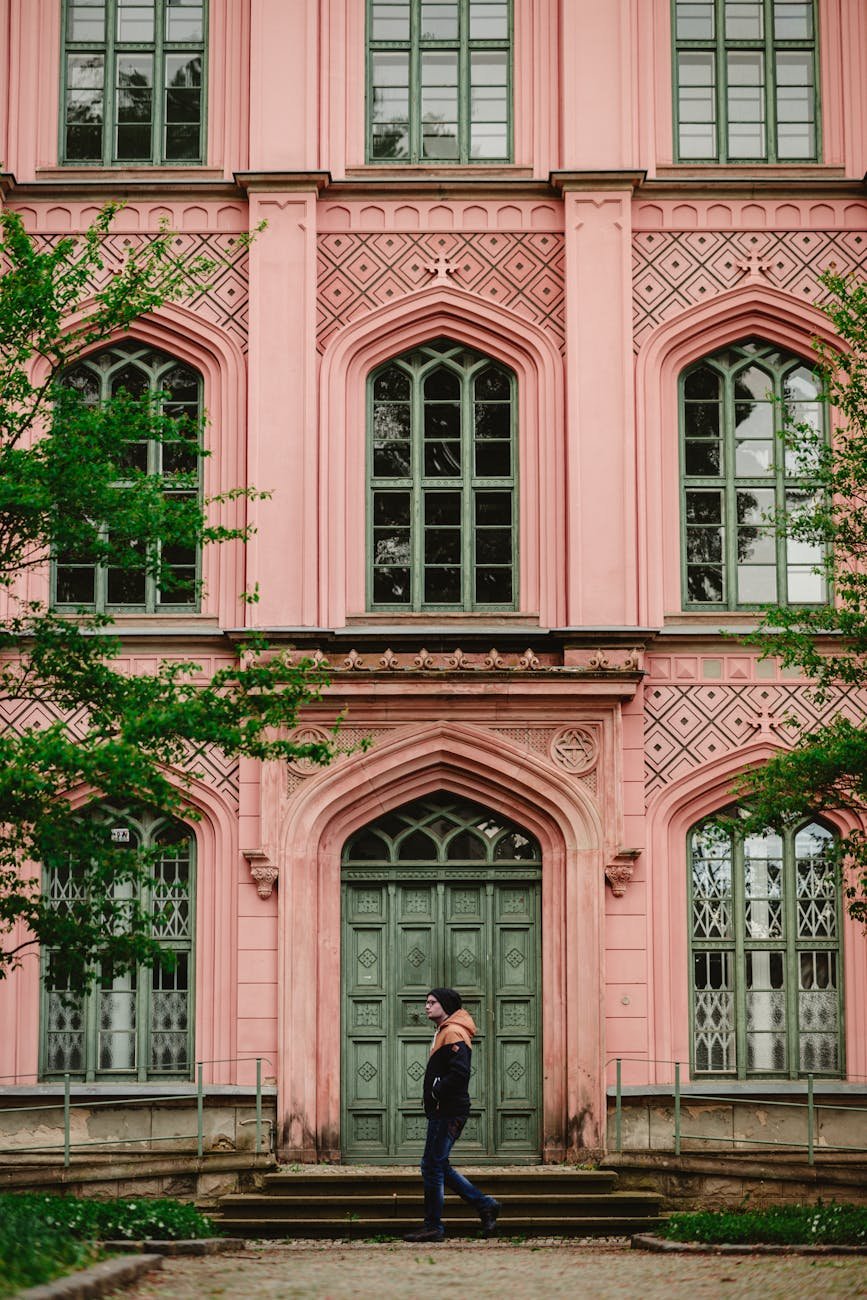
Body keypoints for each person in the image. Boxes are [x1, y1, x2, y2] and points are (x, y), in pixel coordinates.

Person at [402, 987, 501, 1243]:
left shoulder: (453, 1032)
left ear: (445, 1005)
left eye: (432, 1002)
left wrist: (436, 1091)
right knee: (436, 1164)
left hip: (448, 1110)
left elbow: (460, 1072)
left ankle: (434, 1226)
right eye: (426, 1002)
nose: (427, 1006)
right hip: (443, 1109)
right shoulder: (445, 1031)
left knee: (432, 1166)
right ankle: (484, 1205)